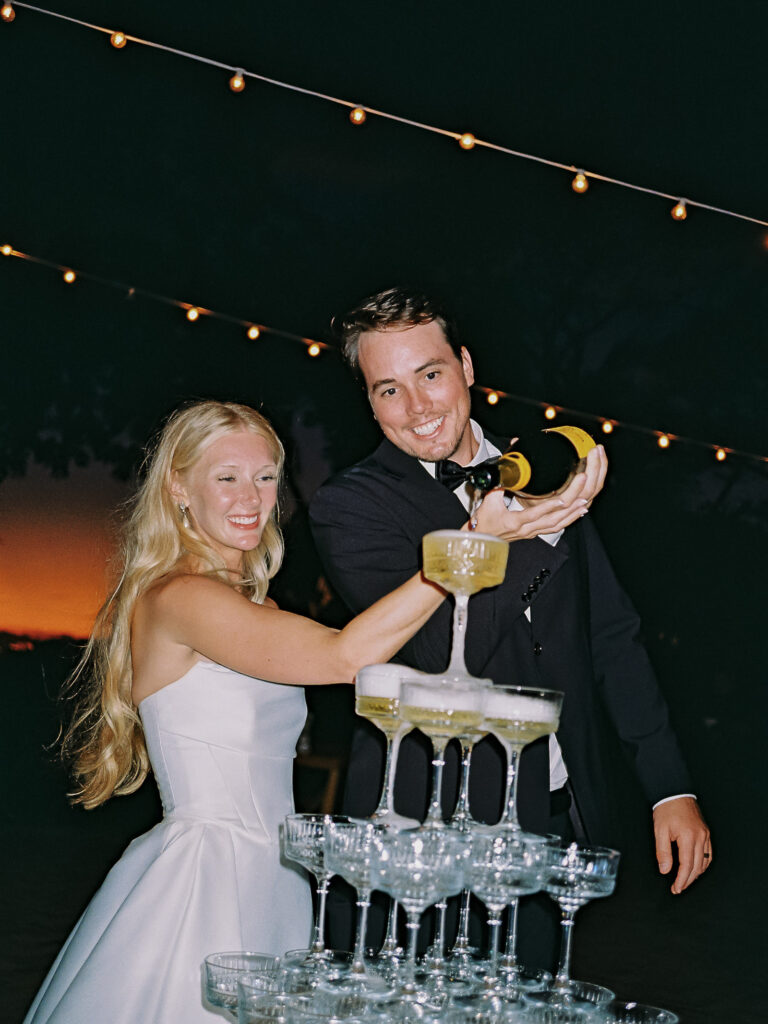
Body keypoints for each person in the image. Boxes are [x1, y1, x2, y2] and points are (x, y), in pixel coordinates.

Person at [309, 287, 712, 963]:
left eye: (430, 375)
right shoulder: (349, 506)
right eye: (388, 390)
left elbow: (611, 635)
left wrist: (670, 786)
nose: (418, 409)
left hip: (553, 818)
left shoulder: (548, 470)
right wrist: (494, 537)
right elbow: (436, 655)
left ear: (466, 366)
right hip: (422, 828)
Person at [24, 400, 445, 1024]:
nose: (252, 496)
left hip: (277, 871)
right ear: (179, 488)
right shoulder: (183, 597)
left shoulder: (257, 606)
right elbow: (344, 655)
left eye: (266, 475)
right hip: (208, 879)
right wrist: (463, 554)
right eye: (227, 477)